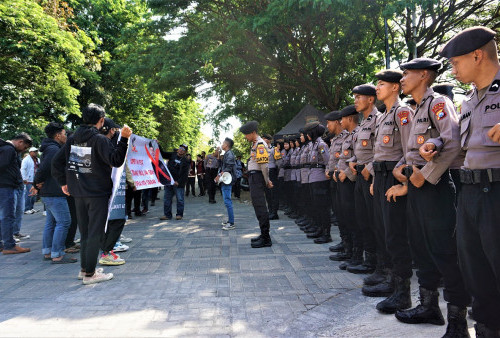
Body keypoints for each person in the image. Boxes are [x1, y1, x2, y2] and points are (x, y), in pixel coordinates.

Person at [386, 58, 471, 336]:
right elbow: (412, 151)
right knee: (421, 247)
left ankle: (457, 320)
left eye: (407, 74)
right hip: (418, 187)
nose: (402, 79)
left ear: (424, 75)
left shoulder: (438, 104)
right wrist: (403, 171)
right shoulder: (417, 109)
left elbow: (453, 140)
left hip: (435, 188)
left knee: (445, 252)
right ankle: (429, 306)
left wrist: (428, 174)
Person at [435, 26, 500, 337]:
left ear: (477, 55)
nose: (453, 68)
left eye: (456, 61)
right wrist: (434, 145)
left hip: (497, 192)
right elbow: (458, 141)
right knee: (476, 271)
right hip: (470, 192)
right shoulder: (469, 100)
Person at [52, 103, 131, 285]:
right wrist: (125, 139)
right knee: (94, 234)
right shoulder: (100, 140)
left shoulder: (72, 139)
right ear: (101, 120)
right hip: (97, 193)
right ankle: (90, 274)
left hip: (78, 193)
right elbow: (116, 160)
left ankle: (84, 269)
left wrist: (63, 182)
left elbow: (56, 162)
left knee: (86, 233)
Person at [364, 70, 414, 313]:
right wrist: (375, 179)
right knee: (384, 232)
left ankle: (403, 293)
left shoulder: (403, 112)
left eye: (381, 84)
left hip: (395, 177)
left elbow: (410, 149)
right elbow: (377, 154)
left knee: (396, 235)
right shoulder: (384, 116)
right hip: (382, 177)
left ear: (395, 88)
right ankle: (392, 282)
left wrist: (405, 183)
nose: (377, 88)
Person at [347, 84, 378, 275]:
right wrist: (352, 161)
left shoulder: (378, 119)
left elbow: (389, 150)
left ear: (371, 99)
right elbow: (359, 151)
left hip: (371, 177)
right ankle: (369, 260)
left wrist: (370, 168)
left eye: (359, 97)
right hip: (359, 175)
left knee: (375, 222)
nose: (356, 101)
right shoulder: (364, 124)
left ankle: (378, 265)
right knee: (363, 220)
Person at [34, 122, 76, 264]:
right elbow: (45, 168)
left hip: (49, 192)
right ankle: (57, 254)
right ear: (58, 135)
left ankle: (48, 252)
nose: (65, 136)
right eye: (64, 134)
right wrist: (36, 182)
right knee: (64, 222)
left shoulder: (50, 148)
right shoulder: (53, 149)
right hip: (54, 191)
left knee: (51, 223)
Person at [239, 121, 273, 248]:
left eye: (246, 134)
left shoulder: (260, 144)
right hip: (255, 177)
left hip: (258, 178)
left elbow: (264, 166)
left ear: (253, 133)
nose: (245, 137)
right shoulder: (255, 144)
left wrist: (267, 180)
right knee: (258, 207)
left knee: (261, 207)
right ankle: (263, 234)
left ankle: (266, 238)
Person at [336, 105, 362, 270]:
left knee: (355, 219)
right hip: (343, 179)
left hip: (352, 180)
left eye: (342, 118)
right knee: (346, 216)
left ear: (350, 118)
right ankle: (351, 250)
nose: (340, 122)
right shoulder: (348, 136)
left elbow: (362, 155)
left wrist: (346, 172)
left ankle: (358, 254)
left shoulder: (357, 134)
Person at [99, 117, 127, 266]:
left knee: (97, 224)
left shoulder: (84, 141)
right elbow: (116, 160)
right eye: (115, 130)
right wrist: (124, 140)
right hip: (105, 189)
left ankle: (87, 267)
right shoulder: (105, 144)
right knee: (116, 220)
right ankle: (106, 252)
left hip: (90, 191)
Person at [0, 133, 32, 254]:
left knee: (3, 217)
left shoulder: (4, 148)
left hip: (4, 186)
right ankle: (9, 245)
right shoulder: (9, 150)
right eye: (25, 147)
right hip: (6, 186)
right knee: (8, 216)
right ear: (20, 142)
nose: (24, 150)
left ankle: (3, 244)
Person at [324, 111, 349, 259]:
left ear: (337, 122)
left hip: (345, 177)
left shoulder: (347, 136)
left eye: (329, 122)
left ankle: (350, 248)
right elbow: (332, 159)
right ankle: (344, 242)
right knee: (339, 212)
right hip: (334, 178)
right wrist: (328, 170)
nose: (327, 126)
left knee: (346, 214)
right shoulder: (334, 140)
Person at [305, 122, 331, 244]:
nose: (307, 135)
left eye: (308, 133)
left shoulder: (321, 144)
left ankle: (326, 233)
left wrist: (328, 173)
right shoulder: (313, 144)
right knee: (316, 206)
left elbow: (328, 161)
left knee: (323, 207)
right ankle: (320, 229)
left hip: (320, 178)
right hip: (313, 177)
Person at [159, 144, 190, 221]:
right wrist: (158, 145)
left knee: (180, 199)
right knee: (167, 199)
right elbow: (162, 154)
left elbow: (185, 174)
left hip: (178, 184)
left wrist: (178, 182)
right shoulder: (172, 155)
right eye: (180, 148)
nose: (181, 150)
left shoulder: (186, 161)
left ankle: (179, 214)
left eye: (183, 149)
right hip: (169, 182)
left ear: (185, 152)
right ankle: (167, 215)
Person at [217, 138, 236, 230]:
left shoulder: (229, 154)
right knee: (227, 201)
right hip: (225, 179)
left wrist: (220, 175)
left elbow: (229, 167)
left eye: (223, 143)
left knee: (227, 201)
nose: (222, 144)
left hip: (227, 180)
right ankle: (230, 221)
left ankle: (231, 223)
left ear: (227, 145)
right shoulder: (227, 154)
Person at [262, 134, 280, 220]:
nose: (262, 140)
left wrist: (277, 173)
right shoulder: (261, 149)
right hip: (265, 172)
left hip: (272, 172)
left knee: (273, 193)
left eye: (264, 139)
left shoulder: (274, 149)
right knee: (268, 193)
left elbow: (279, 162)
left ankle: (274, 212)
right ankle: (270, 210)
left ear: (269, 140)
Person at [21, 147, 39, 214]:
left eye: (36, 151)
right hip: (28, 180)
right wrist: (24, 178)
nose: (36, 153)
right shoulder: (26, 159)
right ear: (30, 152)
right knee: (29, 194)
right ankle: (26, 209)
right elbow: (23, 169)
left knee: (34, 195)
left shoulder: (37, 159)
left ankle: (31, 208)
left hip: (35, 179)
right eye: (34, 151)